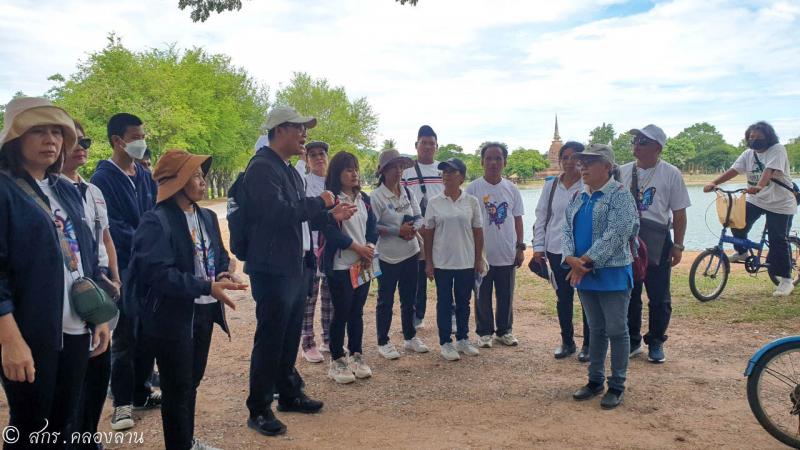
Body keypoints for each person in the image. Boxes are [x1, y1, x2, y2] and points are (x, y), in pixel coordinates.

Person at [0, 97, 111, 445]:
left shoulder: (68, 189)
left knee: (64, 423)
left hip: (76, 327)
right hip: (30, 333)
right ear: (16, 139)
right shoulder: (3, 191)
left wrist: (100, 315)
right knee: (31, 427)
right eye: (38, 131)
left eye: (56, 132)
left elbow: (87, 257)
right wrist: (10, 340)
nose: (51, 140)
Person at [243, 106, 356, 437]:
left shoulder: (289, 171)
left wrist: (330, 215)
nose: (304, 135)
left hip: (296, 263)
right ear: (280, 131)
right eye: (299, 128)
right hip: (272, 267)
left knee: (289, 334)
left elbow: (301, 216)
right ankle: (259, 408)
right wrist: (321, 203)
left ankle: (288, 392)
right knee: (271, 337)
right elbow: (278, 214)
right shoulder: (262, 168)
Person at [131, 149, 247, 450]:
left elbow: (220, 254)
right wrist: (206, 286)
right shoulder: (155, 222)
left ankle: (186, 440)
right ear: (179, 181)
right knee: (176, 387)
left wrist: (224, 271)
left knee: (191, 381)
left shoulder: (206, 215)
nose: (203, 181)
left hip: (205, 313)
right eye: (195, 175)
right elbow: (158, 274)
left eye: (202, 174)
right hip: (172, 317)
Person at [91, 112, 161, 430]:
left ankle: (142, 391)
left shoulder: (143, 174)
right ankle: (121, 404)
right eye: (135, 137)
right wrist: (148, 238)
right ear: (118, 141)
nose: (141, 142)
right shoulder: (102, 179)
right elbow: (112, 230)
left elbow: (154, 213)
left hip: (149, 268)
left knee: (149, 334)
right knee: (124, 339)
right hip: (125, 271)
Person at [61, 120, 122, 447]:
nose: (81, 146)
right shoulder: (48, 191)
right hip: (70, 289)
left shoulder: (92, 190)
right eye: (74, 140)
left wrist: (114, 276)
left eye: (85, 140)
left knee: (99, 368)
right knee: (73, 374)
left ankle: (88, 435)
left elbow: (106, 238)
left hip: (97, 284)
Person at [564, 144, 639, 410]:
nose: (582, 167)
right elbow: (566, 230)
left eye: (590, 162)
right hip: (584, 274)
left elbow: (618, 233)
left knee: (617, 330)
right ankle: (594, 380)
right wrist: (570, 257)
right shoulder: (578, 196)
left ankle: (616, 384)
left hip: (613, 273)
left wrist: (583, 261)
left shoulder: (620, 196)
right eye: (581, 162)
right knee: (595, 329)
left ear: (607, 166)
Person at [620, 124, 690, 364]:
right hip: (628, 239)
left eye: (643, 142)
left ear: (657, 148)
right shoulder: (622, 171)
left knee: (659, 295)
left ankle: (657, 340)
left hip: (657, 239)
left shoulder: (670, 173)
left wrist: (678, 245)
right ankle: (632, 338)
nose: (636, 145)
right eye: (636, 141)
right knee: (630, 292)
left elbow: (679, 213)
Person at [704, 121, 797, 297]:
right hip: (757, 200)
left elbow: (769, 170)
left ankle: (786, 280)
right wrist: (714, 182)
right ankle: (742, 252)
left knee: (777, 239)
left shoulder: (777, 149)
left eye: (759, 137)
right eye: (751, 137)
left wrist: (760, 186)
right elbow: (734, 170)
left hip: (780, 203)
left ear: (768, 137)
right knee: (735, 221)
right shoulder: (748, 154)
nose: (754, 140)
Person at [322, 152, 379, 382]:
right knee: (342, 312)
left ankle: (356, 354)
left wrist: (369, 247)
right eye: (348, 169)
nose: (354, 173)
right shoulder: (332, 200)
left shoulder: (364, 199)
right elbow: (330, 233)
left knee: (357, 312)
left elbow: (372, 228)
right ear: (337, 174)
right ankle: (337, 359)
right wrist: (356, 247)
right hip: (341, 266)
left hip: (363, 265)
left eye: (355, 168)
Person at [532, 141, 591, 361]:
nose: (569, 162)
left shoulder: (588, 185)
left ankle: (589, 344)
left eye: (574, 157)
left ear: (582, 160)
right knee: (563, 298)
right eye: (564, 158)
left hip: (582, 251)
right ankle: (567, 341)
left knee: (587, 298)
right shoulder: (552, 186)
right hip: (556, 249)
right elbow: (542, 217)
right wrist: (538, 247)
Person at [422, 158, 484, 361]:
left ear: (462, 177)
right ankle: (445, 342)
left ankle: (463, 338)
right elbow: (428, 234)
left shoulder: (472, 202)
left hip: (466, 261)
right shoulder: (434, 203)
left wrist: (478, 260)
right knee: (444, 302)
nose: (447, 175)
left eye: (452, 172)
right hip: (442, 263)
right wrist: (429, 262)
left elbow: (478, 233)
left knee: (464, 302)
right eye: (444, 172)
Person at [371, 148, 429, 360]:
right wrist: (397, 231)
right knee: (385, 299)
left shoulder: (407, 192)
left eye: (400, 167)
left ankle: (409, 336)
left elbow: (418, 215)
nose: (398, 171)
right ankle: (383, 340)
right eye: (393, 167)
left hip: (410, 252)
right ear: (383, 171)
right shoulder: (376, 197)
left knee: (409, 297)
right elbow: (373, 226)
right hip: (387, 256)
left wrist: (414, 227)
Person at [466, 142, 525, 349]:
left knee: (505, 294)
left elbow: (517, 219)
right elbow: (467, 221)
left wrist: (520, 247)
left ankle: (504, 330)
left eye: (498, 158)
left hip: (506, 251)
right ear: (482, 161)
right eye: (489, 158)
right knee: (481, 294)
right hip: (481, 253)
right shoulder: (473, 189)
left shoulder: (511, 189)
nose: (493, 162)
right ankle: (484, 332)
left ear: (504, 162)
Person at [402, 125, 444, 329]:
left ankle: (449, 313)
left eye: (431, 144)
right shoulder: (407, 171)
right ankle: (417, 316)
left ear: (437, 146)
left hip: (441, 230)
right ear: (416, 145)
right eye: (423, 143)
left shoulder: (443, 169)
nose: (427, 147)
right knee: (417, 276)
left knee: (445, 272)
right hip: (416, 230)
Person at [299, 141, 334, 363]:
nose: (318, 158)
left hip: (331, 247)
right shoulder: (303, 182)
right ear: (307, 160)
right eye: (313, 155)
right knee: (309, 297)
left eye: (321, 154)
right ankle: (307, 342)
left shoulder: (333, 183)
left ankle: (329, 339)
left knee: (330, 297)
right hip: (311, 248)